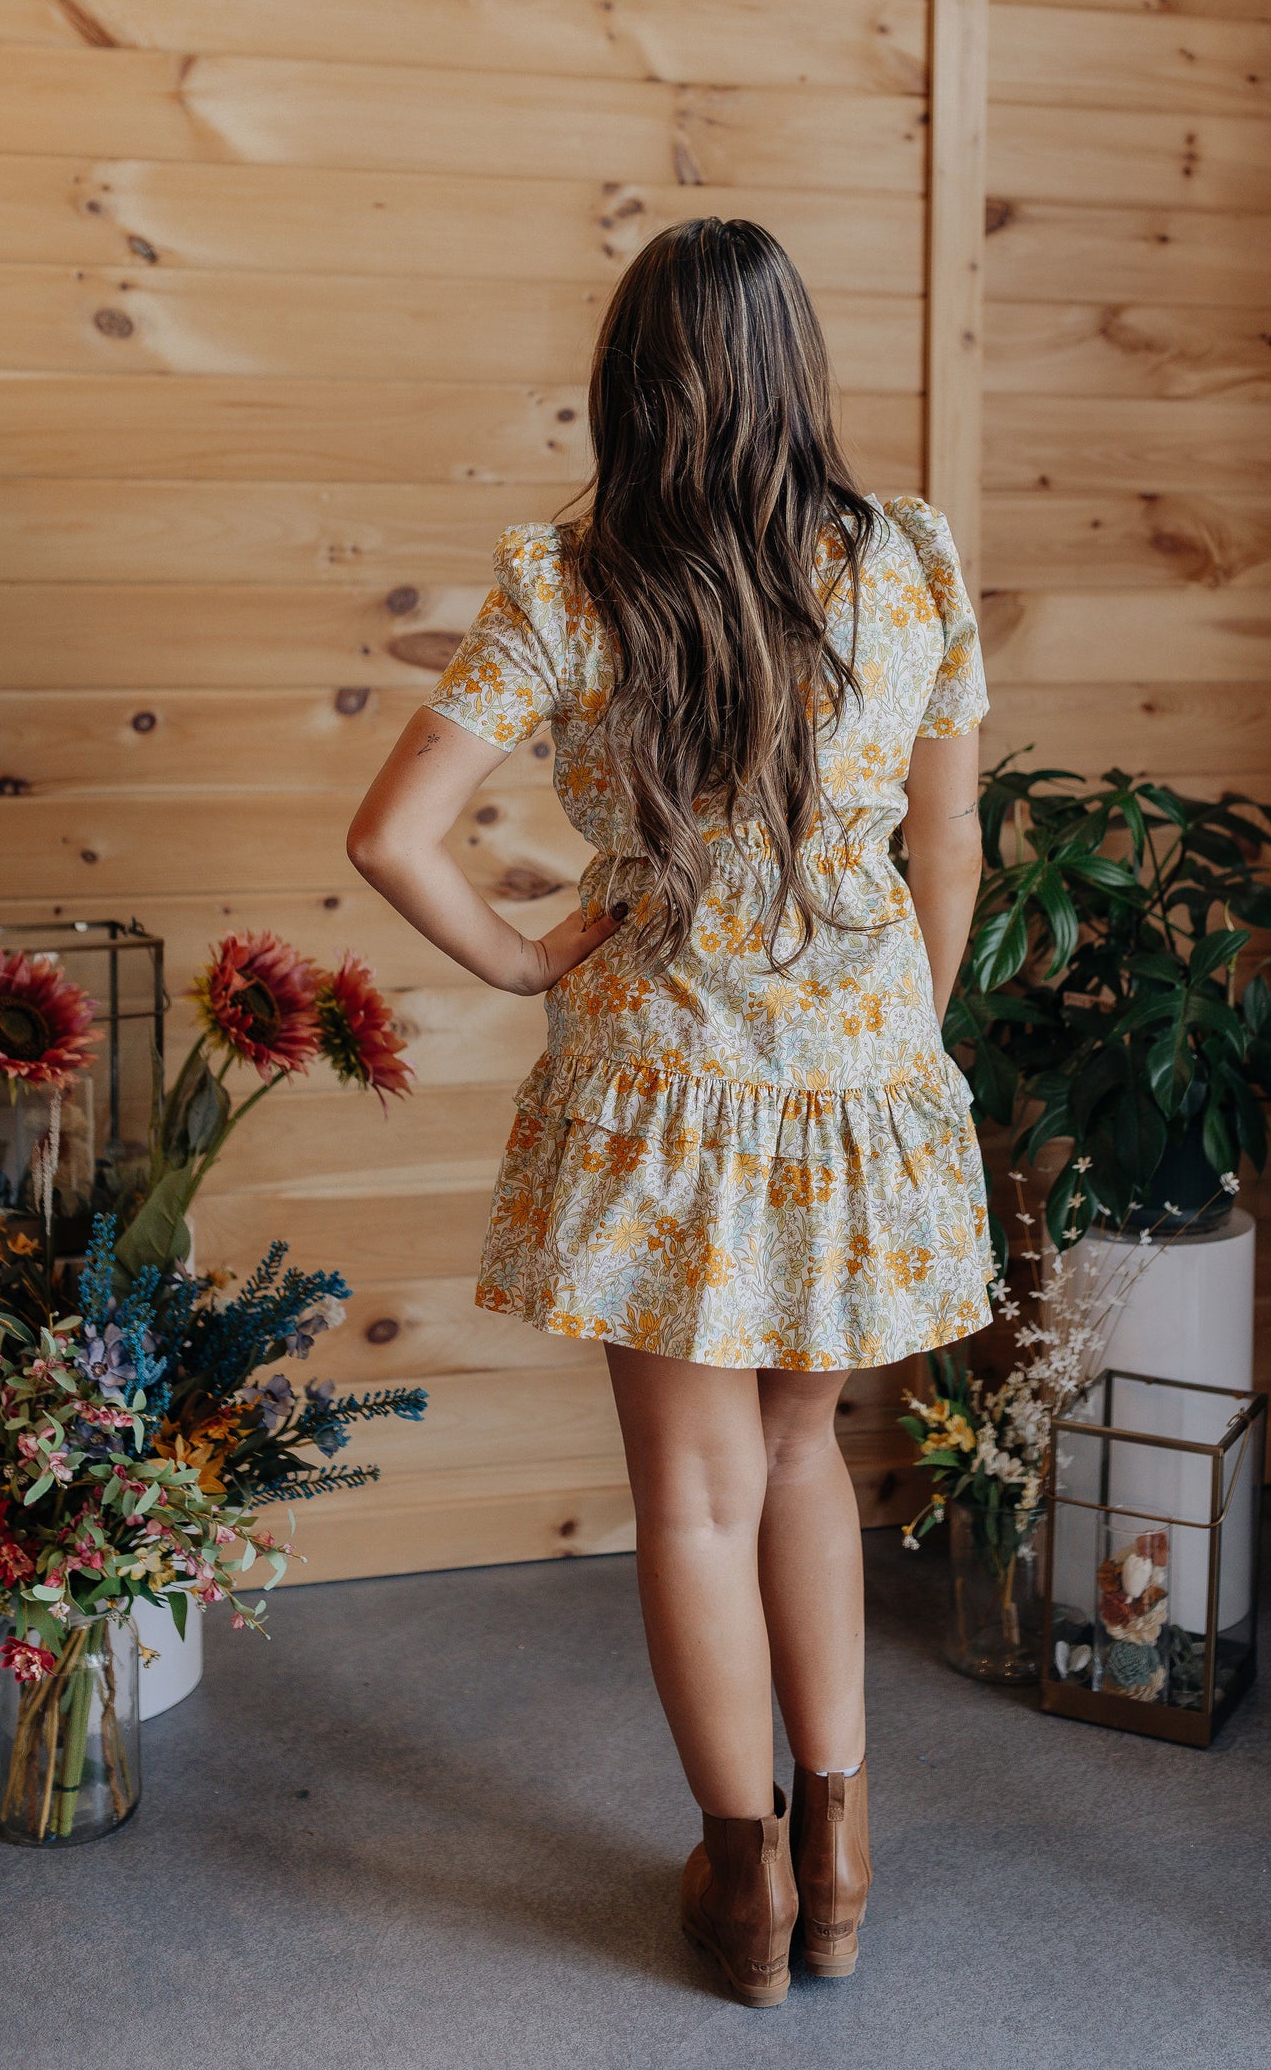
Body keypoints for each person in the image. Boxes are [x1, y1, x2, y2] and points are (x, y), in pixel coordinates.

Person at [347, 218, 991, 2009]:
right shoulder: (910, 559)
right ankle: (843, 1839)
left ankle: (747, 1876)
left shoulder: (566, 582)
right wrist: (900, 1047)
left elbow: (392, 840)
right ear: (799, 368)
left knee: (693, 1499)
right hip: (860, 1082)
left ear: (629, 383)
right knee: (806, 1460)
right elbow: (946, 844)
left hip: (659, 1094)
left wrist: (530, 956)